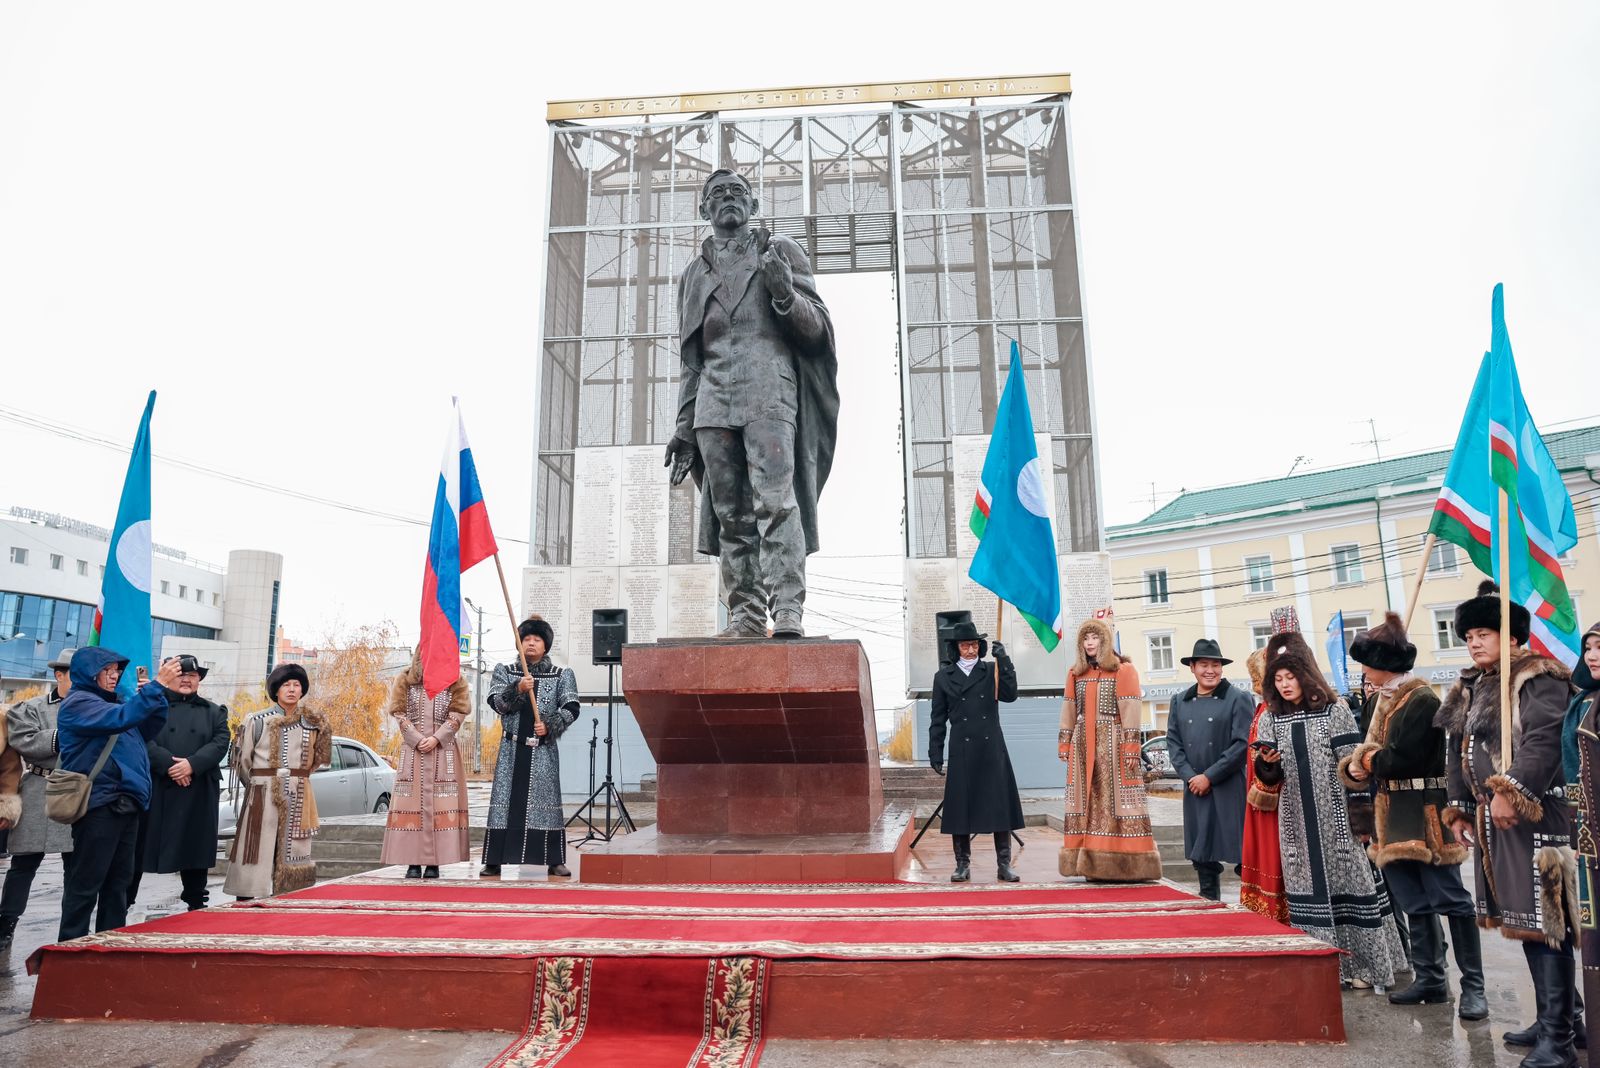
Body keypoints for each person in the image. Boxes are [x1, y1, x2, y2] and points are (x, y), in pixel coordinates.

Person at [663, 167, 839, 639]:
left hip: (770, 391)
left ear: (753, 205)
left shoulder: (779, 251)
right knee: (730, 513)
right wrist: (683, 427)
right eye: (716, 194)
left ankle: (787, 609)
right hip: (712, 401)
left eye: (737, 192)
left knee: (776, 503)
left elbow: (817, 331)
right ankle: (745, 613)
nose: (727, 199)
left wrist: (783, 291)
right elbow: (691, 358)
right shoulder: (693, 275)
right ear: (704, 210)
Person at [1441, 581, 1579, 1066]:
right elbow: (1457, 751)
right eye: (1470, 634)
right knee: (1523, 922)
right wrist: (1458, 807)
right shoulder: (1473, 684)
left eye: (1485, 632)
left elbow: (1544, 741)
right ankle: (1555, 1020)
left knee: (1548, 923)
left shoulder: (1537, 677)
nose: (1475, 641)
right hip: (1492, 819)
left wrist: (1510, 790)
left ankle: (1559, 1042)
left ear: (1514, 636)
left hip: (1539, 815)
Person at [1339, 613, 1486, 1019]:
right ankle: (1430, 979)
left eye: (1367, 663)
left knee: (1450, 899)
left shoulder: (1422, 699)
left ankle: (1474, 987)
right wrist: (1359, 772)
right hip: (1392, 814)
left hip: (1427, 812)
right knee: (1413, 901)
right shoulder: (1376, 701)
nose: (1364, 671)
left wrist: (1364, 759)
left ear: (1384, 664)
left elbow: (1400, 759)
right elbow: (1371, 765)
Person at [1256, 631, 1408, 990]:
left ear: (1305, 674)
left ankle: (1364, 969)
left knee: (1351, 886)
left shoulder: (1333, 710)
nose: (1284, 685)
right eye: (1277, 679)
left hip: (1338, 822)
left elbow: (1353, 768)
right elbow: (1268, 778)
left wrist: (1361, 818)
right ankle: (1322, 970)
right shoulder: (1270, 718)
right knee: (1307, 893)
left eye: (1290, 677)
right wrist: (1268, 765)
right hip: (1295, 823)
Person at [55, 648, 179, 941]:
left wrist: (155, 696)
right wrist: (158, 687)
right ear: (88, 672)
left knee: (118, 885)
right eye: (107, 670)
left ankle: (110, 944)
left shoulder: (118, 704)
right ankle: (70, 949)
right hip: (100, 804)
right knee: (86, 883)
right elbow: (122, 718)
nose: (114, 676)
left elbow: (147, 726)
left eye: (116, 671)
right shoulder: (80, 703)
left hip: (127, 802)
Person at [1056, 618, 1160, 881]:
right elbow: (1069, 708)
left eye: (1095, 638)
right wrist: (1065, 742)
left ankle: (1127, 863)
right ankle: (1090, 863)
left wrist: (1131, 746)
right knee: (1087, 801)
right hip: (1083, 745)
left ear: (1104, 641)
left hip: (1113, 743)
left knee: (1116, 800)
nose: (1090, 643)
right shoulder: (1075, 673)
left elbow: (1130, 709)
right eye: (1085, 639)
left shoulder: (1124, 670)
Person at [129, 655, 230, 911]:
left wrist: (192, 765)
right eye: (180, 675)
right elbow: (140, 738)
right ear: (168, 678)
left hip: (197, 791)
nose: (186, 680)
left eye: (192, 676)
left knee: (195, 850)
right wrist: (170, 766)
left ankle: (196, 905)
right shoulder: (149, 707)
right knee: (138, 851)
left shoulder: (214, 711)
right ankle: (123, 905)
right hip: (158, 788)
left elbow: (220, 742)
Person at [480, 618, 579, 878]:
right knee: (504, 804)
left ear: (545, 645)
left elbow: (571, 707)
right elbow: (496, 703)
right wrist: (518, 688)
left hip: (542, 751)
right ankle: (494, 860)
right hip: (512, 750)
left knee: (545, 804)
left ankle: (554, 860)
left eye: (536, 639)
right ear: (519, 643)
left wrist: (551, 725)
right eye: (526, 639)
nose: (531, 643)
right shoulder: (506, 671)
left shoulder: (561, 675)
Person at [224, 664, 330, 900]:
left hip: (299, 790)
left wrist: (295, 778)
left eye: (296, 685)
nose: (292, 690)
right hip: (262, 791)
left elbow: (317, 761)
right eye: (286, 685)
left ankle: (293, 892)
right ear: (276, 690)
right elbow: (243, 761)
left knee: (296, 844)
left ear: (302, 690)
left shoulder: (314, 723)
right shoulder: (257, 720)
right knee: (256, 842)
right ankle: (248, 891)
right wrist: (259, 785)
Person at [929, 620, 1024, 883]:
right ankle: (962, 864)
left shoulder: (992, 670)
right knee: (960, 809)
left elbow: (1010, 695)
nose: (969, 650)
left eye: (973, 644)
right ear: (956, 648)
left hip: (991, 747)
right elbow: (937, 719)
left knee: (999, 807)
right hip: (962, 748)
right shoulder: (943, 677)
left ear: (980, 646)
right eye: (964, 645)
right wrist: (935, 752)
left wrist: (1004, 661)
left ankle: (1004, 864)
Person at [1165, 638, 1254, 900]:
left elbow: (1242, 744)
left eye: (1215, 664)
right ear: (1192, 667)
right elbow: (1173, 743)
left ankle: (1253, 906)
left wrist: (1210, 776)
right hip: (1195, 788)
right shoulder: (1179, 701)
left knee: (1242, 852)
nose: (1210, 670)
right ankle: (1208, 903)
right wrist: (1191, 777)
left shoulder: (1239, 698)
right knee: (1202, 852)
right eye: (1203, 664)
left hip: (1230, 786)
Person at [0, 649, 75, 948]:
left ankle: (72, 926)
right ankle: (6, 922)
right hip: (37, 789)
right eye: (73, 674)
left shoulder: (95, 708)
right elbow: (25, 742)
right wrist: (62, 736)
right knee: (23, 864)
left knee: (76, 865)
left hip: (78, 791)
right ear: (59, 675)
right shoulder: (29, 707)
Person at [381, 650, 470, 879]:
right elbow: (399, 714)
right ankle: (412, 861)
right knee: (411, 806)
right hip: (413, 754)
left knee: (442, 805)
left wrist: (438, 737)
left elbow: (458, 714)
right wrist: (416, 738)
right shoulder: (406, 679)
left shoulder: (455, 681)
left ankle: (434, 863)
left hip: (444, 752)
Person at [1563, 620, 1600, 1057]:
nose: (1591, 655)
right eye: (1588, 647)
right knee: (1592, 949)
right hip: (1588, 839)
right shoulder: (1583, 703)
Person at [1240, 648, 1289, 924]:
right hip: (1258, 793)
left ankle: (1277, 912)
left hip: (1274, 795)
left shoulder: (1274, 711)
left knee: (1273, 851)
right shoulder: (1261, 709)